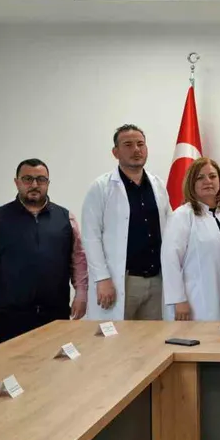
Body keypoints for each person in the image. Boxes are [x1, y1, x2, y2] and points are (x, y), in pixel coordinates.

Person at [0, 159, 88, 342]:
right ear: (17, 182)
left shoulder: (66, 218)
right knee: (13, 360)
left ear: (48, 183)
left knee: (56, 359)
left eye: (41, 179)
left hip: (55, 313)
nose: (34, 185)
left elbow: (78, 260)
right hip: (12, 315)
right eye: (27, 179)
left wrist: (81, 294)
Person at [81, 124, 170, 321]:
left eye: (140, 144)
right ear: (115, 152)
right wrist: (102, 278)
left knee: (153, 338)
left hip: (156, 281)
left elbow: (170, 231)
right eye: (128, 145)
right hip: (121, 281)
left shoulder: (158, 185)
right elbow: (90, 237)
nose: (136, 150)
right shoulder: (101, 187)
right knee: (115, 337)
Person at [161, 157, 220, 322]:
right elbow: (170, 260)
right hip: (197, 299)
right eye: (200, 177)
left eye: (212, 176)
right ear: (191, 183)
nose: (208, 181)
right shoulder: (182, 216)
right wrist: (178, 299)